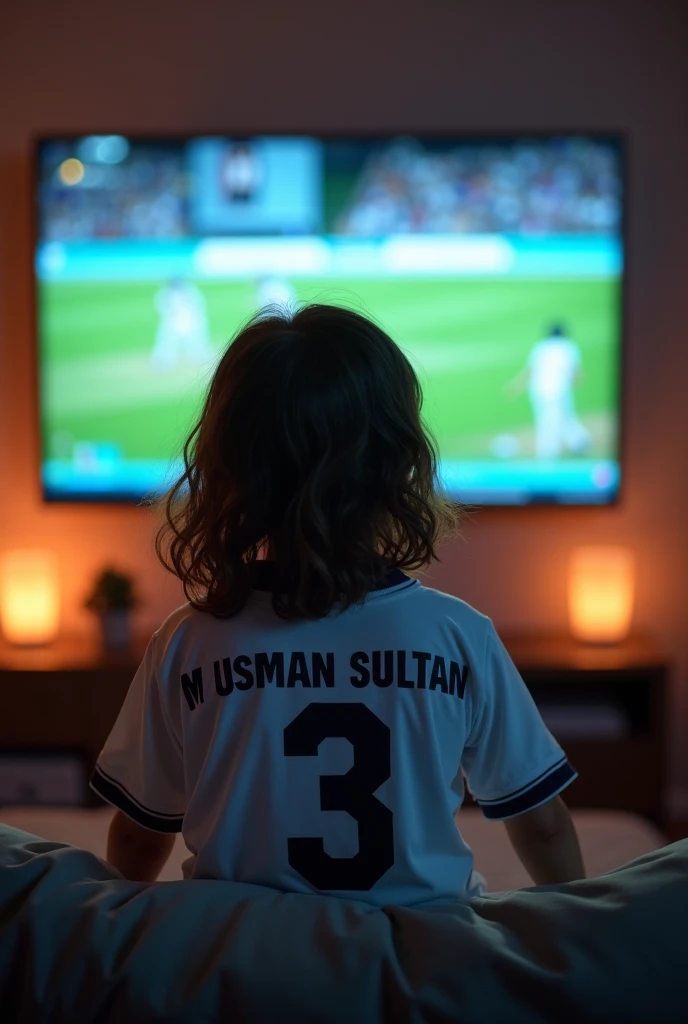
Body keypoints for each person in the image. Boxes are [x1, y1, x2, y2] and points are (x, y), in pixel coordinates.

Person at [91, 304, 585, 903]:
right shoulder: (459, 635)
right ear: (397, 461)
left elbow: (142, 837)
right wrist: (579, 931)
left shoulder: (186, 642)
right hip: (422, 959)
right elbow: (543, 823)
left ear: (228, 467)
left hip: (243, 958)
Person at [505, 323, 591, 459]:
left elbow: (530, 371)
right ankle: (561, 448)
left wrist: (516, 386)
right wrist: (576, 381)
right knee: (558, 417)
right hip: (559, 390)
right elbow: (576, 373)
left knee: (549, 419)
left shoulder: (540, 347)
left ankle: (571, 443)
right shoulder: (568, 347)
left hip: (538, 390)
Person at [150, 278, 214, 372]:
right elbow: (163, 309)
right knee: (167, 344)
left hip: (191, 323)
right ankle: (163, 362)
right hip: (175, 324)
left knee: (197, 346)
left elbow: (199, 308)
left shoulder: (191, 292)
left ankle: (203, 360)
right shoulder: (166, 294)